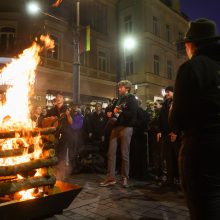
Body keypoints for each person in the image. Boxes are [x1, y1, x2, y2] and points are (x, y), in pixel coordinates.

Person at [169, 18, 220, 220]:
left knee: (205, 206)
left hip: (202, 147)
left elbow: (177, 118)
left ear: (192, 44)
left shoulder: (192, 67)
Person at [100, 80, 138, 187]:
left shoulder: (131, 99)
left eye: (120, 87)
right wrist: (110, 113)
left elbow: (133, 114)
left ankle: (125, 178)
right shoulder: (118, 100)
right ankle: (110, 178)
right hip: (115, 127)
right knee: (111, 153)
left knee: (124, 153)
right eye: (119, 87)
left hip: (126, 127)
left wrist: (120, 112)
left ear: (127, 88)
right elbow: (112, 112)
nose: (119, 89)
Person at [45, 93, 73, 178]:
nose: (58, 98)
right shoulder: (52, 110)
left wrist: (68, 115)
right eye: (57, 97)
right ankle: (53, 172)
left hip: (64, 135)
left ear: (63, 99)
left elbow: (71, 122)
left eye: (60, 97)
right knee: (54, 153)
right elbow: (45, 121)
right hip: (54, 135)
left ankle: (62, 173)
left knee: (63, 154)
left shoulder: (67, 109)